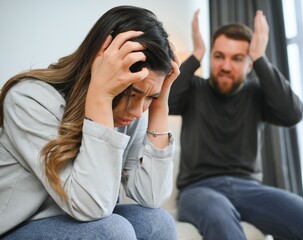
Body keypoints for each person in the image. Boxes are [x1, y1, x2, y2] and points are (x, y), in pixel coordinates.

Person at [0, 5, 180, 240]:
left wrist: (160, 103)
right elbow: (93, 207)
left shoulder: (128, 114)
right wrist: (101, 96)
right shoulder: (29, 100)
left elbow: (151, 196)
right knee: (112, 231)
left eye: (149, 97)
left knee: (159, 222)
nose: (137, 111)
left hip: (81, 221)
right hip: (18, 228)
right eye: (133, 93)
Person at [168, 9, 303, 240]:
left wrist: (260, 58)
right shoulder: (194, 90)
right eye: (219, 56)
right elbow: (165, 101)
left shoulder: (257, 93)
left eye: (237, 58)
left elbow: (292, 114)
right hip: (198, 190)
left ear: (249, 65)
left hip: (249, 188)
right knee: (219, 219)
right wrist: (197, 53)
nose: (226, 65)